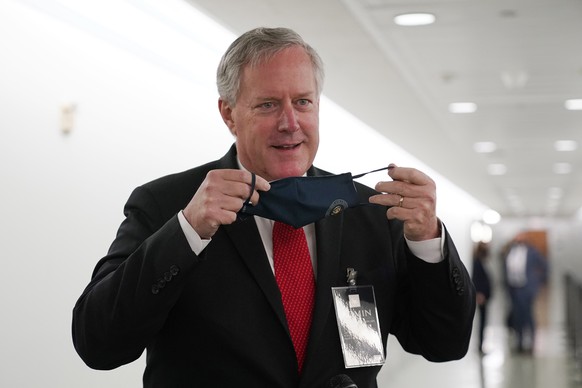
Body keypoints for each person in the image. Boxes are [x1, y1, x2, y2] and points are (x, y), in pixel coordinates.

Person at [72, 27, 476, 387]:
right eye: (267, 104)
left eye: (303, 102)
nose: (290, 122)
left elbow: (443, 344)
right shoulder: (168, 205)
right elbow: (99, 345)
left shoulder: (370, 211)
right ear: (229, 114)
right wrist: (187, 231)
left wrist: (427, 242)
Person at [503, 232, 548, 354]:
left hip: (526, 288)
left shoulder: (532, 252)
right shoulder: (511, 251)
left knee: (528, 316)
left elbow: (545, 266)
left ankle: (531, 342)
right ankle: (519, 342)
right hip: (514, 288)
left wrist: (538, 282)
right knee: (517, 317)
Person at [471, 241, 492, 355]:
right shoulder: (477, 262)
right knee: (482, 322)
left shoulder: (483, 261)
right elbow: (476, 279)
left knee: (484, 322)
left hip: (485, 296)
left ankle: (481, 345)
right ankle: (480, 346)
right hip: (481, 296)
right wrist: (479, 293)